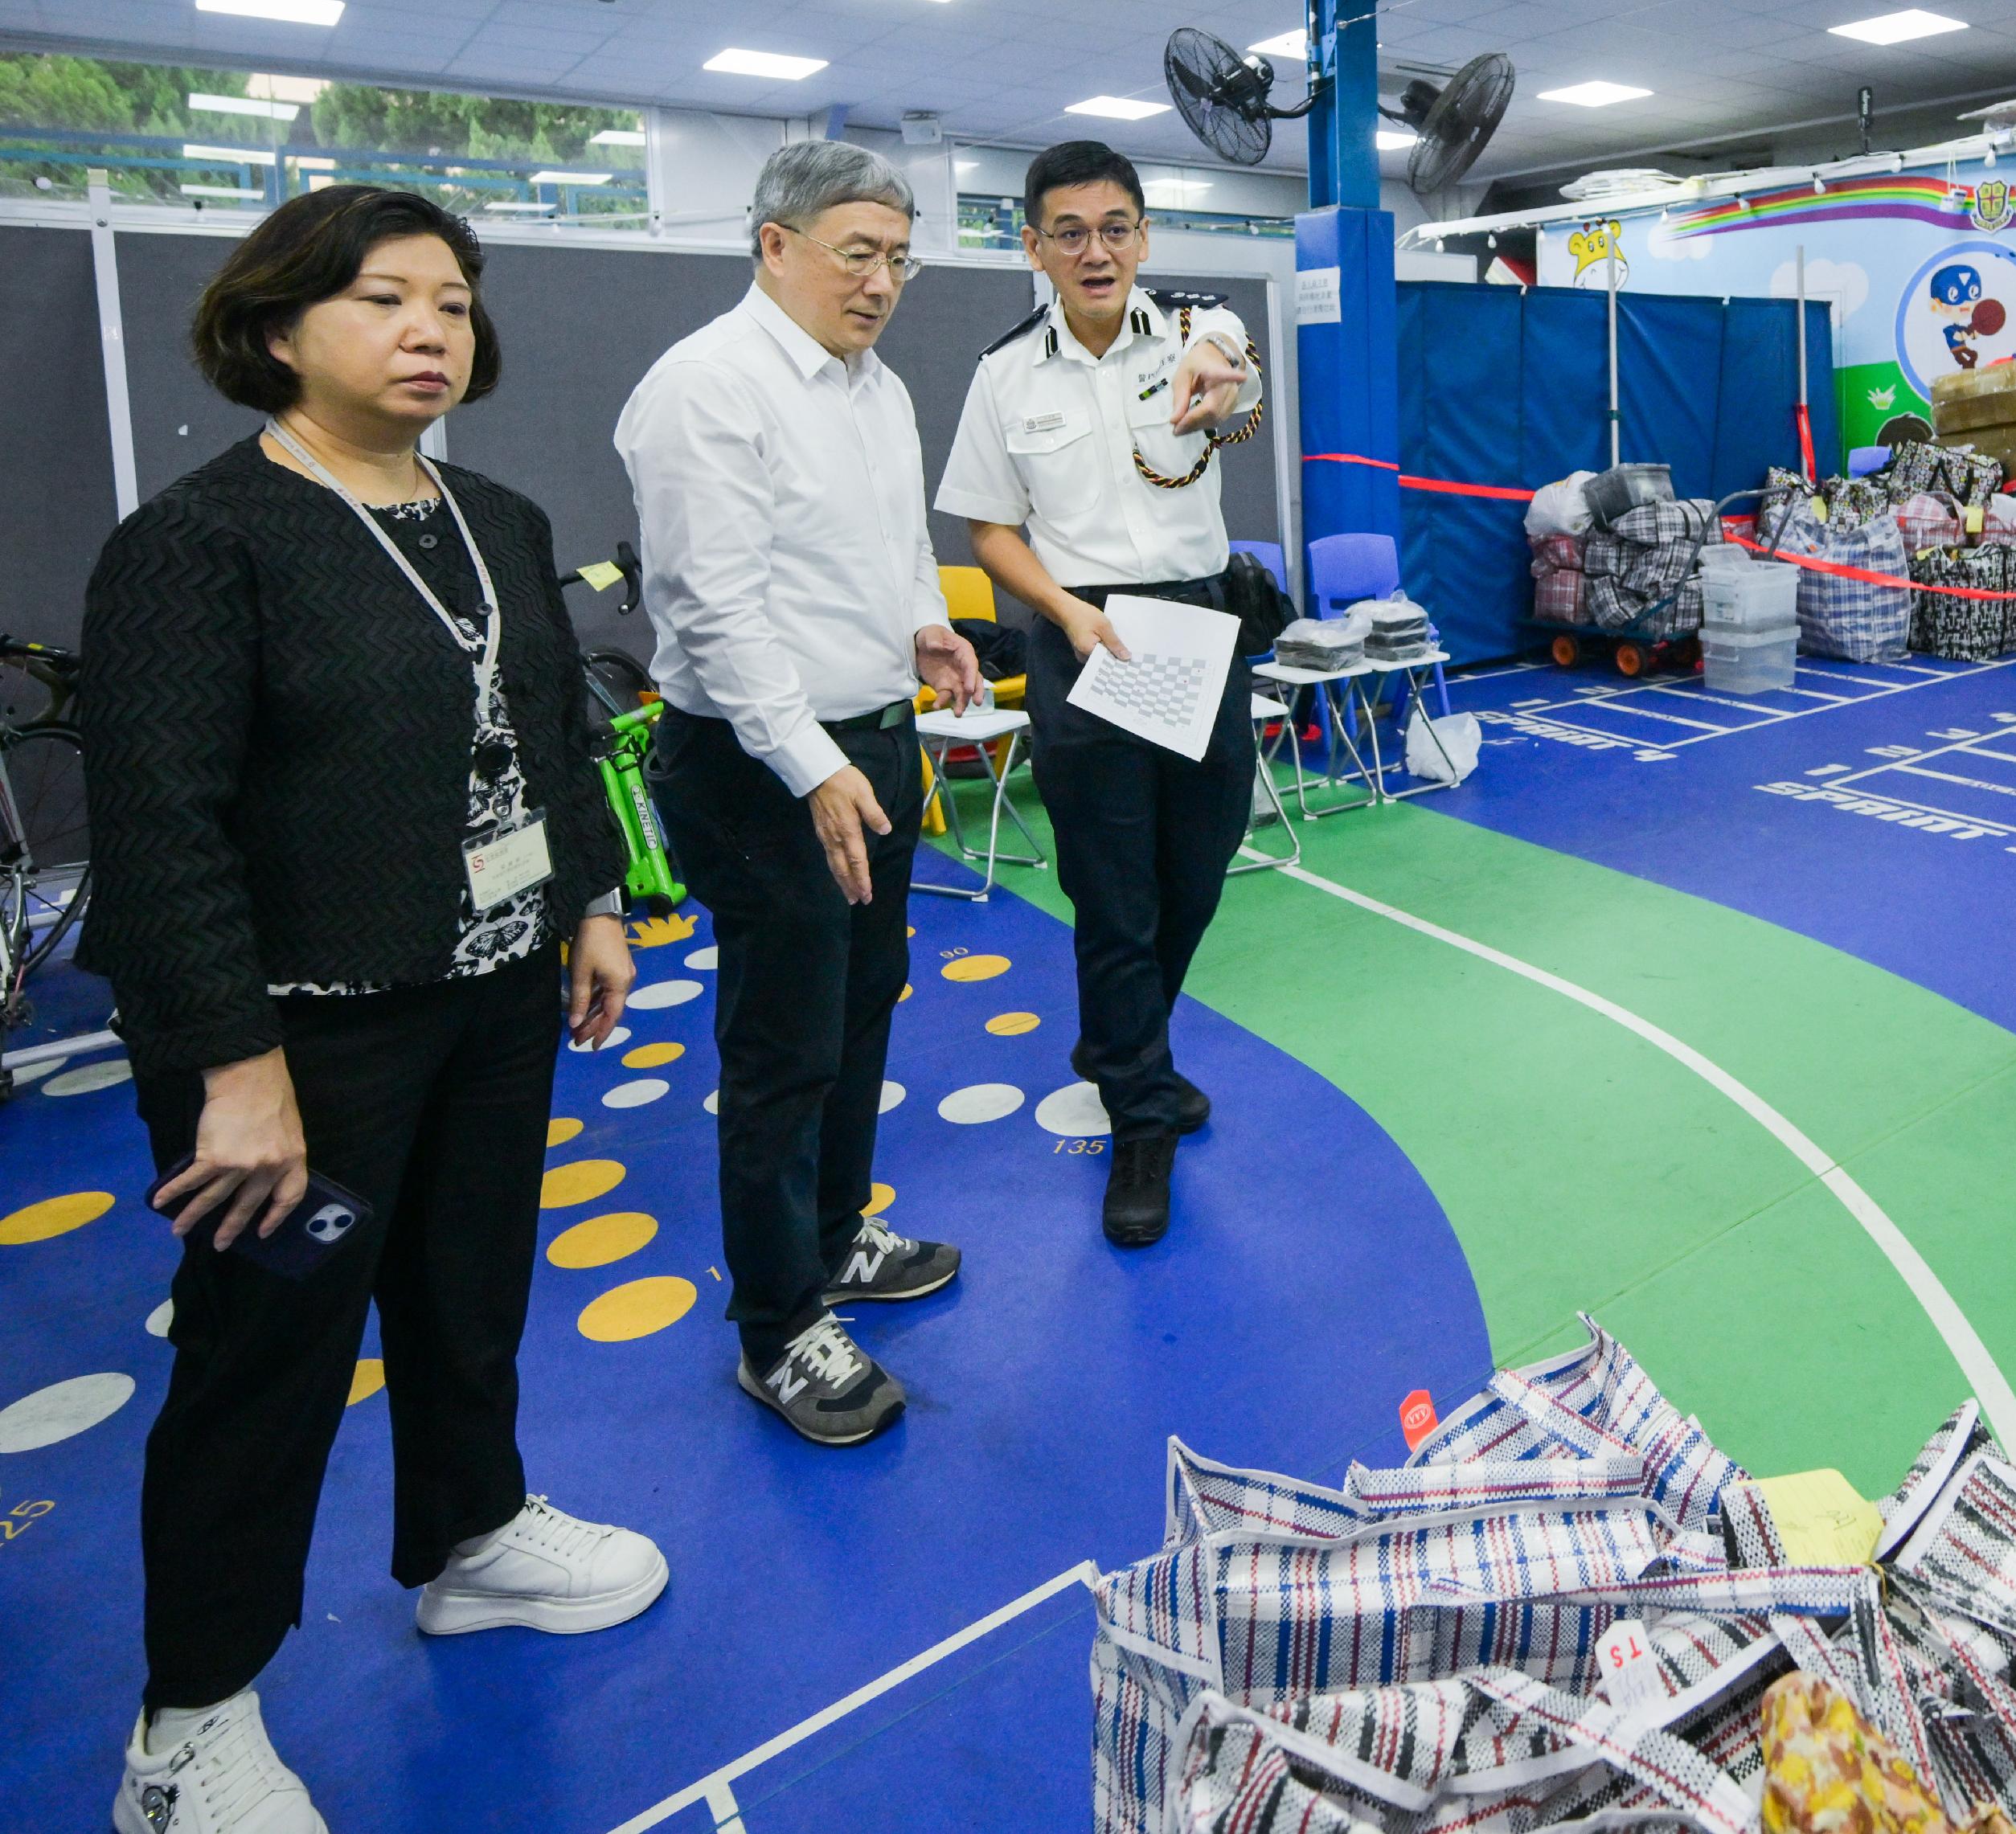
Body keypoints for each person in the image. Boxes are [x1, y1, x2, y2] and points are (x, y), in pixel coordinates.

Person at [80, 186, 664, 1834]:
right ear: (277, 329)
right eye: (385, 299)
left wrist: (592, 900)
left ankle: (472, 1537)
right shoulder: (199, 542)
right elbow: (159, 830)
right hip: (299, 1040)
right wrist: (233, 1066)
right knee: (265, 1360)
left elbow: (550, 734)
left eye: (454, 303)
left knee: (469, 1292)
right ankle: (187, 1724)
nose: (431, 331)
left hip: (490, 1000)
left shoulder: (498, 518)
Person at [616, 141, 984, 1447]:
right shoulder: (705, 388)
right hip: (760, 764)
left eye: (900, 260)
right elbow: (712, 608)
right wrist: (811, 759)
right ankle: (777, 1326)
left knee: (864, 1001)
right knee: (783, 1047)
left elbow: (894, 544)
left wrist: (925, 623)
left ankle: (835, 1236)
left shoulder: (877, 387)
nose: (881, 282)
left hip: (870, 741)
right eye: (857, 254)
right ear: (775, 244)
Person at [934, 141, 1261, 1246]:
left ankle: (1127, 1050)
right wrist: (1066, 612)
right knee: (1112, 889)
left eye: (1115, 228)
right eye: (1068, 232)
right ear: (1033, 247)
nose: (1095, 250)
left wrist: (1224, 356)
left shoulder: (1198, 336)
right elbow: (988, 527)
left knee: (1198, 866)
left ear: (1144, 238)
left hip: (1198, 626)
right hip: (1085, 634)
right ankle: (1140, 1117)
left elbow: (1239, 381)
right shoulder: (1004, 374)